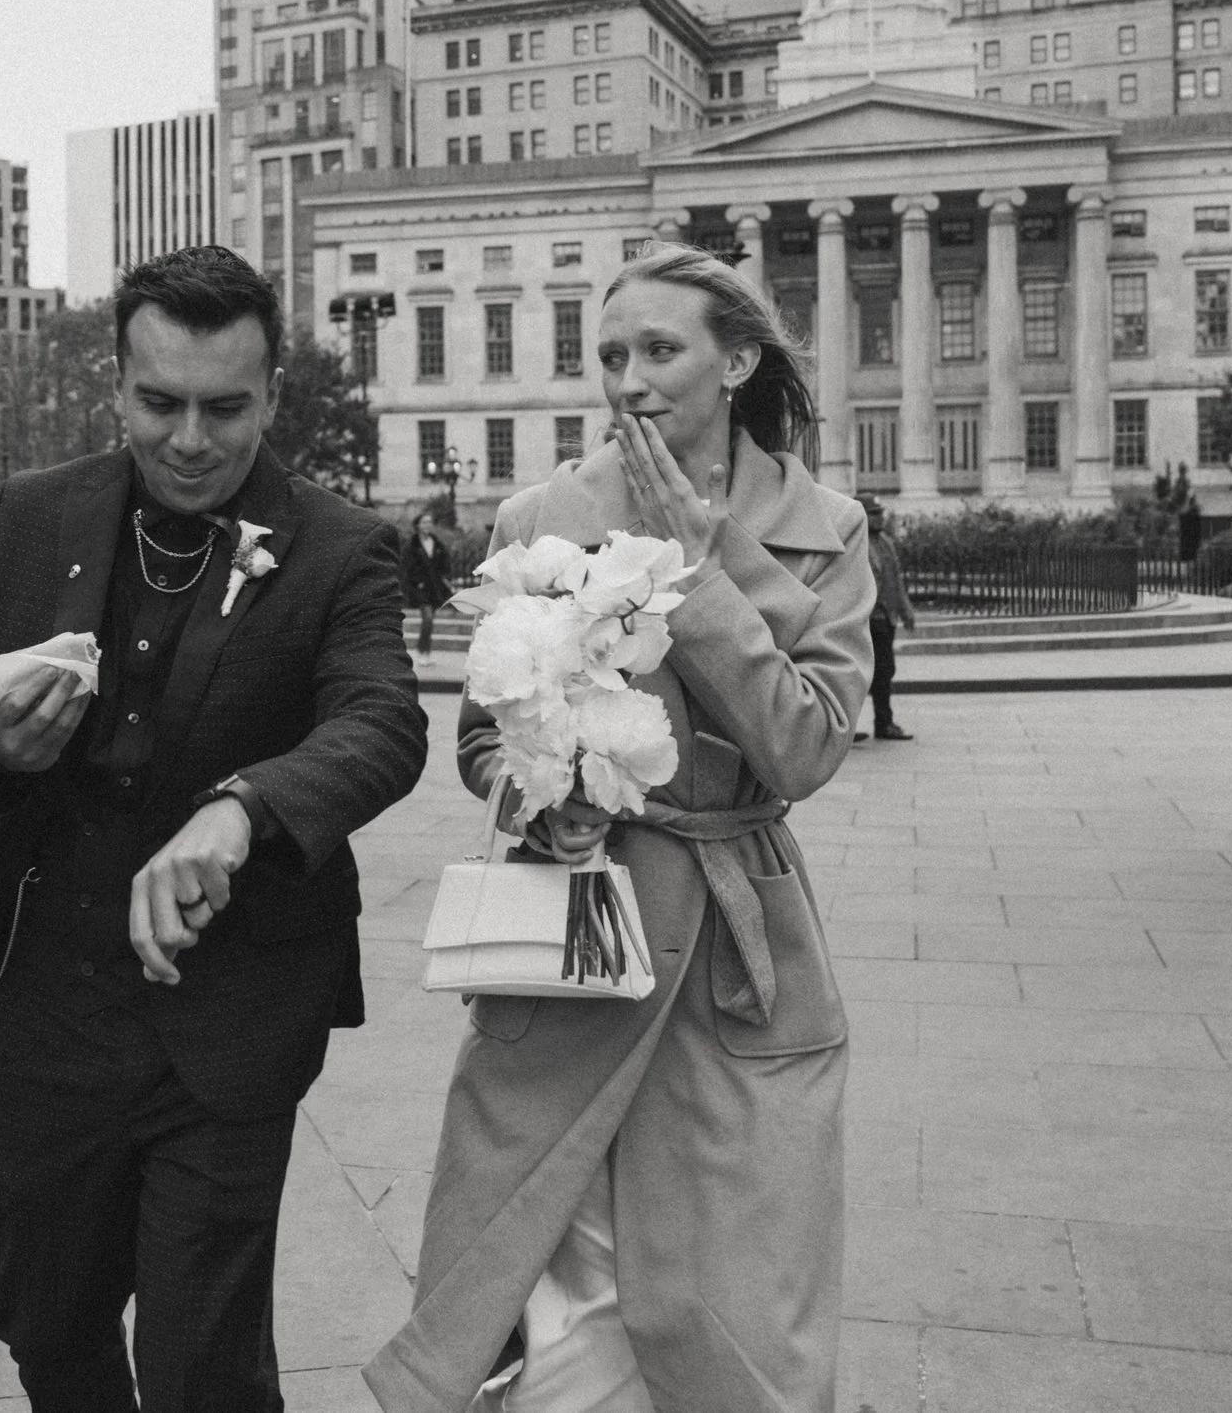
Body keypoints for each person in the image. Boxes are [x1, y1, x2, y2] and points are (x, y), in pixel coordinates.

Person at [0, 244, 428, 1412]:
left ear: (272, 394)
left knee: (201, 1370)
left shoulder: (340, 545)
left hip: (233, 1021)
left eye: (224, 408)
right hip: (53, 1012)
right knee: (46, 1325)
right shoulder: (32, 516)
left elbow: (383, 723)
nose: (189, 439)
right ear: (117, 387)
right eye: (159, 403)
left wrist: (244, 808)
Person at [368, 244, 875, 1413]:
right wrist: (545, 793)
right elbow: (482, 737)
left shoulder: (829, 527)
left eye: (659, 350)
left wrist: (701, 571)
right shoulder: (541, 517)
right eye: (610, 355)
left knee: (736, 1306)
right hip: (578, 942)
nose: (629, 379)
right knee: (552, 1313)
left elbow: (805, 746)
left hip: (739, 949)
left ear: (734, 362)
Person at [860, 501, 918, 742]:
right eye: (874, 513)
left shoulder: (885, 542)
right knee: (863, 674)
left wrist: (906, 610)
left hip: (885, 616)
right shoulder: (854, 542)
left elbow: (896, 579)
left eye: (880, 513)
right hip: (866, 618)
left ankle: (884, 723)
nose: (880, 517)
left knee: (885, 671)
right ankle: (852, 727)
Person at [402, 512, 454, 656]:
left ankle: (425, 650)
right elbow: (406, 567)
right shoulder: (412, 545)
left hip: (435, 589)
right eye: (424, 522)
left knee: (430, 621)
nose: (428, 525)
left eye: (430, 522)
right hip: (419, 588)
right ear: (418, 525)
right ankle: (423, 650)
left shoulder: (437, 544)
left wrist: (446, 578)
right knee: (428, 618)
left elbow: (445, 564)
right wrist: (416, 582)